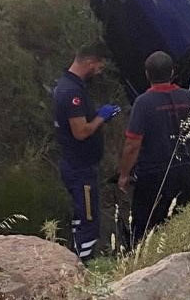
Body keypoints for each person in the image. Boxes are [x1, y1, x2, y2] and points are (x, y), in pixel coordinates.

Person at [117, 51, 190, 248]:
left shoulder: (143, 103)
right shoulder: (189, 98)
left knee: (143, 223)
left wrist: (124, 175)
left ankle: (139, 258)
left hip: (152, 173)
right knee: (176, 220)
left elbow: (132, 144)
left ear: (147, 74)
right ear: (173, 72)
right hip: (182, 169)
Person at [52, 41, 120, 264]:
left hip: (76, 165)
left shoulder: (70, 85)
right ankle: (84, 268)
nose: (99, 71)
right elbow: (81, 132)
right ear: (90, 62)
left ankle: (74, 258)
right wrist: (102, 117)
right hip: (80, 169)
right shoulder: (72, 92)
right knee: (88, 222)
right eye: (99, 66)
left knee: (80, 218)